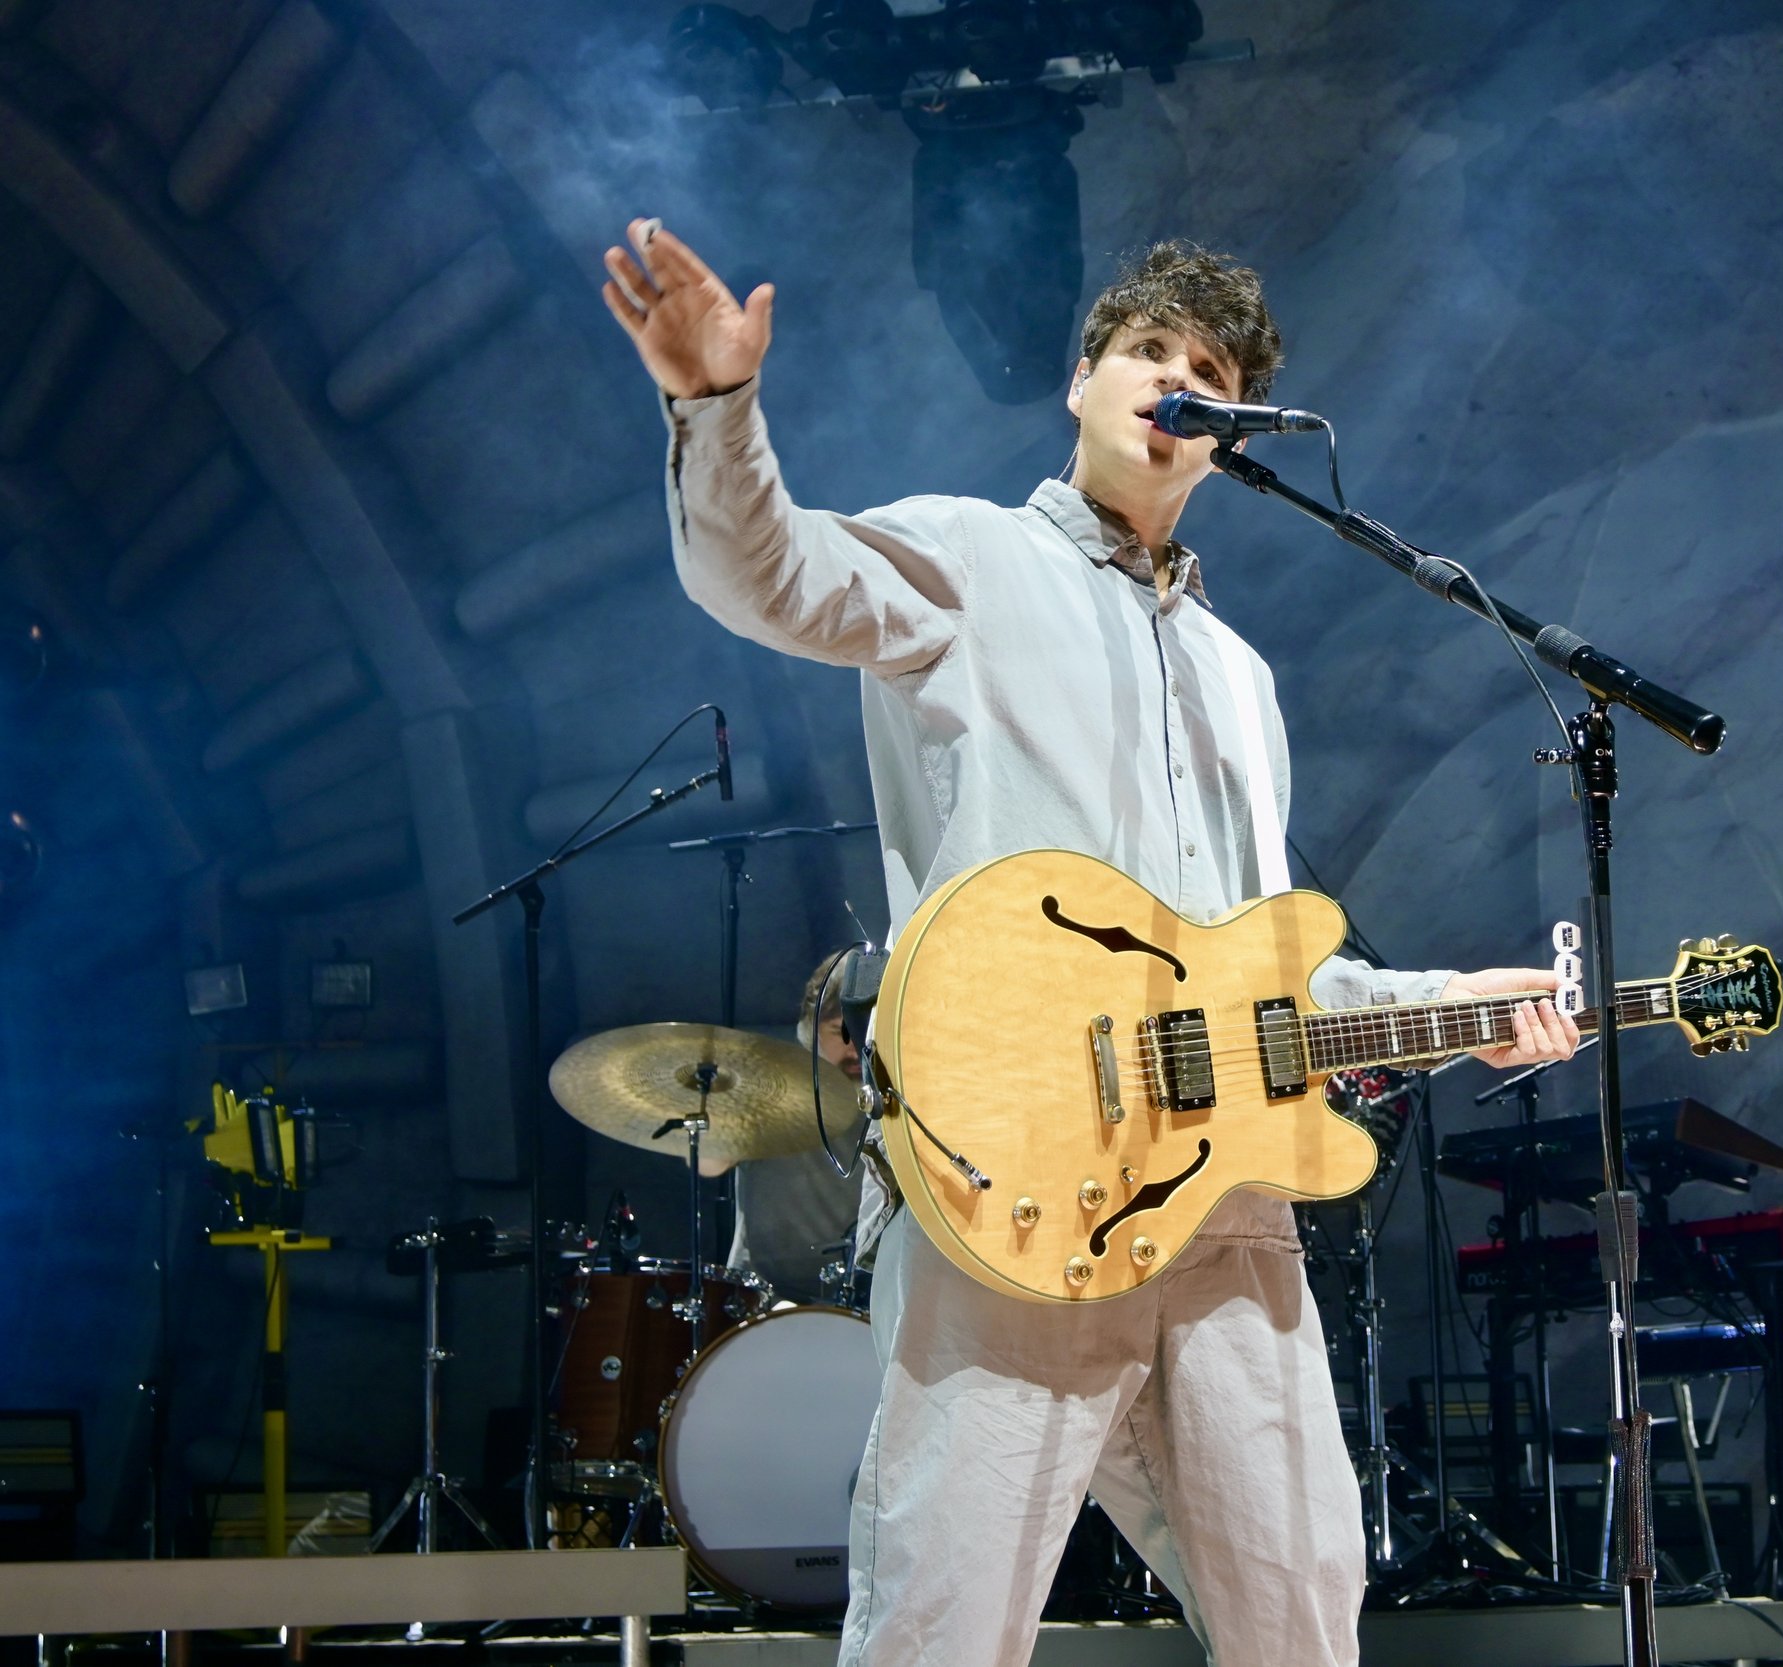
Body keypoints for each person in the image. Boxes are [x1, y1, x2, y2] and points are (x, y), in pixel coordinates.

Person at [601, 221, 1581, 1666]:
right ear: (1082, 381)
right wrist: (714, 407)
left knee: (1304, 1614)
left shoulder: (1240, 677)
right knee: (943, 1622)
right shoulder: (969, 559)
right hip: (1009, 1177)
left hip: (1221, 1204)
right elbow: (768, 573)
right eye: (1147, 350)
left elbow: (1264, 968)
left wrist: (1455, 1003)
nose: (1176, 380)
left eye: (1212, 373)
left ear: (1231, 434)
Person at [724, 945, 869, 1301]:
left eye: (865, 1030)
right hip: (765, 1296)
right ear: (811, 1029)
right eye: (840, 1031)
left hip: (862, 1299)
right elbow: (708, 1163)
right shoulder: (772, 1092)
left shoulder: (899, 1105)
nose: (855, 1047)